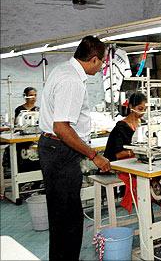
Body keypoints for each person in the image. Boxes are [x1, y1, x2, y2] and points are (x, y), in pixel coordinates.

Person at [38, 35, 111, 261]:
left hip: (53, 149)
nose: (103, 68)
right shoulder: (71, 81)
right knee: (69, 219)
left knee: (61, 217)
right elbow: (62, 128)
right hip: (60, 151)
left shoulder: (63, 70)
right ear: (94, 60)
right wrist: (94, 155)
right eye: (103, 63)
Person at [104, 92, 161, 218]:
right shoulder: (121, 127)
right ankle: (149, 228)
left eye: (145, 109)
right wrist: (136, 150)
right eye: (139, 109)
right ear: (131, 106)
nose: (142, 112)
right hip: (121, 167)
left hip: (139, 163)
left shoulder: (144, 124)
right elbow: (117, 155)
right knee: (144, 186)